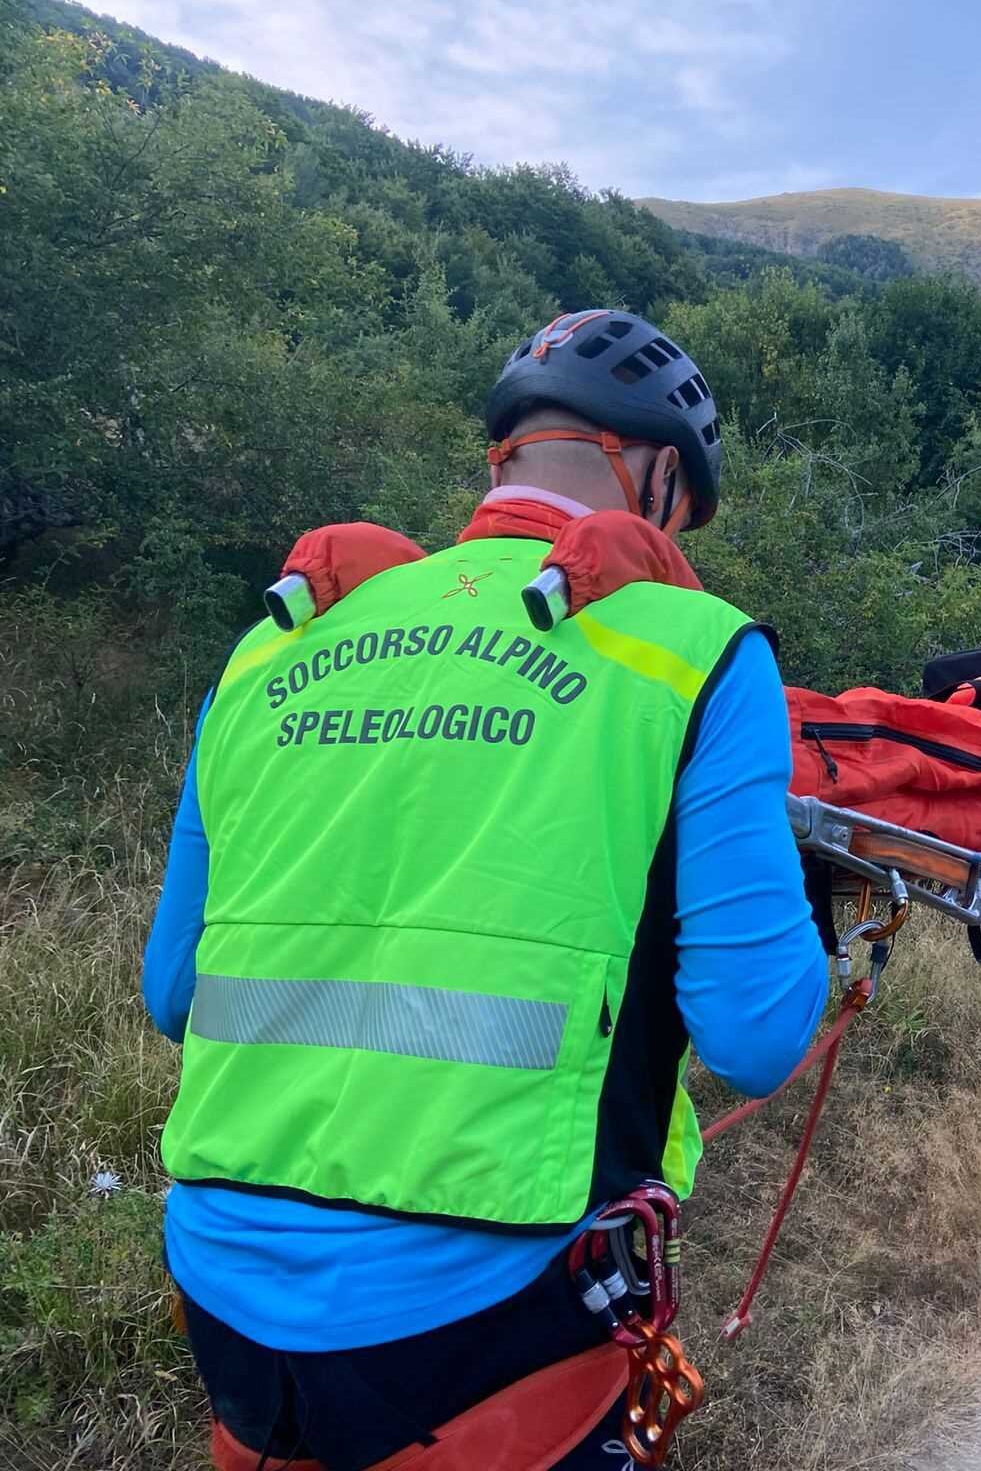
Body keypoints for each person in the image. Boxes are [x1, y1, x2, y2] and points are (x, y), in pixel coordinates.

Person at [142, 309, 829, 1470]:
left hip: (228, 1293)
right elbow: (755, 1038)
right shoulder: (690, 646)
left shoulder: (274, 642)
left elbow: (175, 992)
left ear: (503, 454)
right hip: (494, 1308)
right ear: (659, 476)